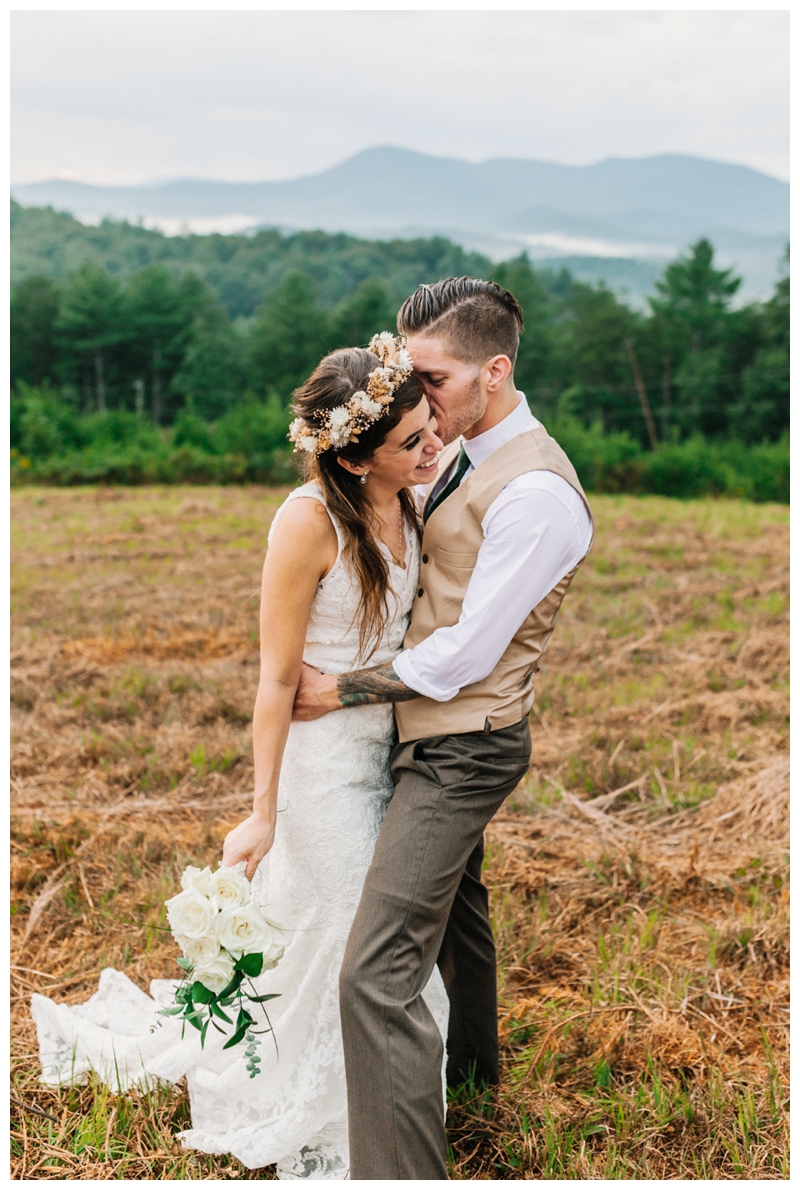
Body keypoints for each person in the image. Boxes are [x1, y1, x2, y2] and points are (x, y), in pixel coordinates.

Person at [31, 335, 449, 1179]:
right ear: (358, 456)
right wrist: (260, 812)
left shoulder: (409, 499)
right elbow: (274, 681)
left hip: (385, 756)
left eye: (430, 422)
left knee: (365, 937)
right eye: (411, 439)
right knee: (350, 934)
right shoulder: (306, 523)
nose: (432, 444)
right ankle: (333, 1109)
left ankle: (389, 1096)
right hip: (322, 770)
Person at [292, 277, 596, 1180]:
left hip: (465, 746)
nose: (412, 398)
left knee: (375, 974)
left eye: (432, 378)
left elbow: (466, 654)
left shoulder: (538, 492)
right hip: (431, 733)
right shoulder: (452, 444)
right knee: (461, 918)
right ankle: (471, 1085)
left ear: (494, 372)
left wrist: (341, 690)